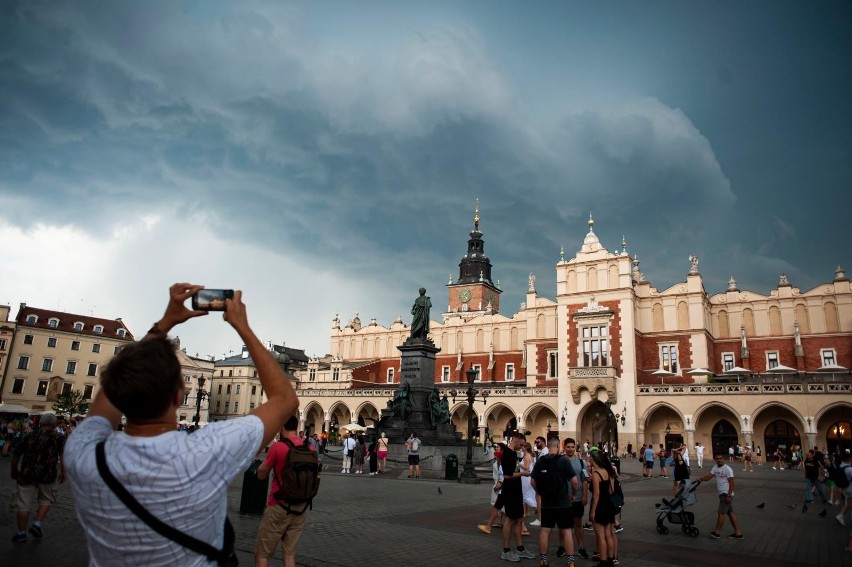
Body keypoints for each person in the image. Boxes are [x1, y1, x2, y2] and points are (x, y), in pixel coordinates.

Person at [64, 283, 299, 566]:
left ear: (115, 391)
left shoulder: (83, 452)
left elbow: (112, 386)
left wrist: (163, 323)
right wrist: (243, 326)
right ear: (179, 395)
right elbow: (286, 398)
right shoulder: (204, 452)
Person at [254, 415, 314, 567]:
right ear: (296, 427)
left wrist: (258, 463)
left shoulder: (278, 447)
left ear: (281, 427)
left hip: (278, 506)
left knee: (262, 554)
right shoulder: (311, 448)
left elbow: (261, 475)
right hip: (301, 508)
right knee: (289, 555)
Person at [10, 413, 65, 542]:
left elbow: (16, 455)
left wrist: (14, 470)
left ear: (41, 423)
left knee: (23, 503)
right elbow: (63, 456)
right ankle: (37, 524)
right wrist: (64, 472)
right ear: (54, 425)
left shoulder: (30, 435)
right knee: (46, 499)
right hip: (47, 474)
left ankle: (21, 533)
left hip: (27, 473)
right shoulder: (58, 437)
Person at [531, 437, 578, 567]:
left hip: (547, 503)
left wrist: (540, 492)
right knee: (567, 530)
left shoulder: (540, 461)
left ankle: (544, 560)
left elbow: (532, 481)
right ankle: (570, 562)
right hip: (563, 502)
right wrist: (573, 494)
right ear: (558, 446)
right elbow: (574, 481)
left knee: (545, 530)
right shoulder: (563, 460)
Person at [499, 432, 535, 562]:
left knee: (519, 518)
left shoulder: (514, 453)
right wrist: (523, 474)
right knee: (510, 519)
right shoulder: (507, 454)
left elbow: (513, 471)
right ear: (515, 440)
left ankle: (520, 549)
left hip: (516, 489)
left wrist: (520, 473)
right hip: (510, 490)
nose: (522, 447)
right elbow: (507, 475)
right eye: (521, 444)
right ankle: (506, 550)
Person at [558, 438, 590, 560]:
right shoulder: (560, 462)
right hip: (563, 499)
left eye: (572, 447)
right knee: (562, 525)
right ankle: (562, 546)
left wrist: (585, 496)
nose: (570, 449)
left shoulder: (581, 463)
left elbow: (585, 481)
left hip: (577, 499)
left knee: (578, 523)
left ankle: (581, 547)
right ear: (564, 447)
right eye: (568, 447)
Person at [699, 452, 744, 539]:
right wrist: (700, 479)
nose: (719, 460)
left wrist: (729, 495)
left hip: (726, 494)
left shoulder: (728, 469)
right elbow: (709, 476)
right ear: (715, 459)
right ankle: (738, 533)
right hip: (722, 494)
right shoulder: (715, 467)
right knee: (730, 513)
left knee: (721, 513)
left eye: (721, 458)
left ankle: (717, 532)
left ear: (723, 459)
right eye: (717, 458)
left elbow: (732, 483)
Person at [588, 448, 617, 567]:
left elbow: (596, 494)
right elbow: (612, 490)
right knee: (609, 534)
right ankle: (610, 560)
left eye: (590, 457)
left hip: (600, 505)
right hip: (609, 505)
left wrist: (593, 511)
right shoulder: (608, 471)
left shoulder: (596, 473)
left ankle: (603, 561)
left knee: (600, 536)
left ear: (594, 459)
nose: (588, 458)